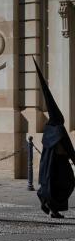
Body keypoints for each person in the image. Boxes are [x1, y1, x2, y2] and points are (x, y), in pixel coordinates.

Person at [33, 58, 75, 218]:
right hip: (60, 163)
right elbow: (68, 146)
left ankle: (50, 204)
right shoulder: (58, 129)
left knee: (54, 185)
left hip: (51, 164)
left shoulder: (49, 128)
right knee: (68, 183)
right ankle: (52, 207)